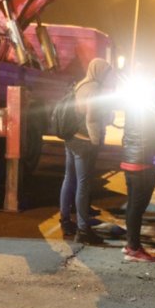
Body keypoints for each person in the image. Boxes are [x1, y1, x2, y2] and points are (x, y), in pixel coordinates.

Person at [120, 80, 155, 262]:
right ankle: (134, 249)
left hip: (129, 161)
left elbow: (126, 134)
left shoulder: (134, 106)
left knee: (132, 206)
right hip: (144, 163)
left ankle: (131, 245)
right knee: (138, 207)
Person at [59, 58, 113, 245]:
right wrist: (96, 140)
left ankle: (65, 220)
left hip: (71, 138)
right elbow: (92, 118)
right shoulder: (95, 89)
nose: (107, 76)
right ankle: (83, 230)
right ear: (99, 71)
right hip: (84, 141)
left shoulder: (81, 85)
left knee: (69, 178)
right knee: (83, 184)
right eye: (106, 72)